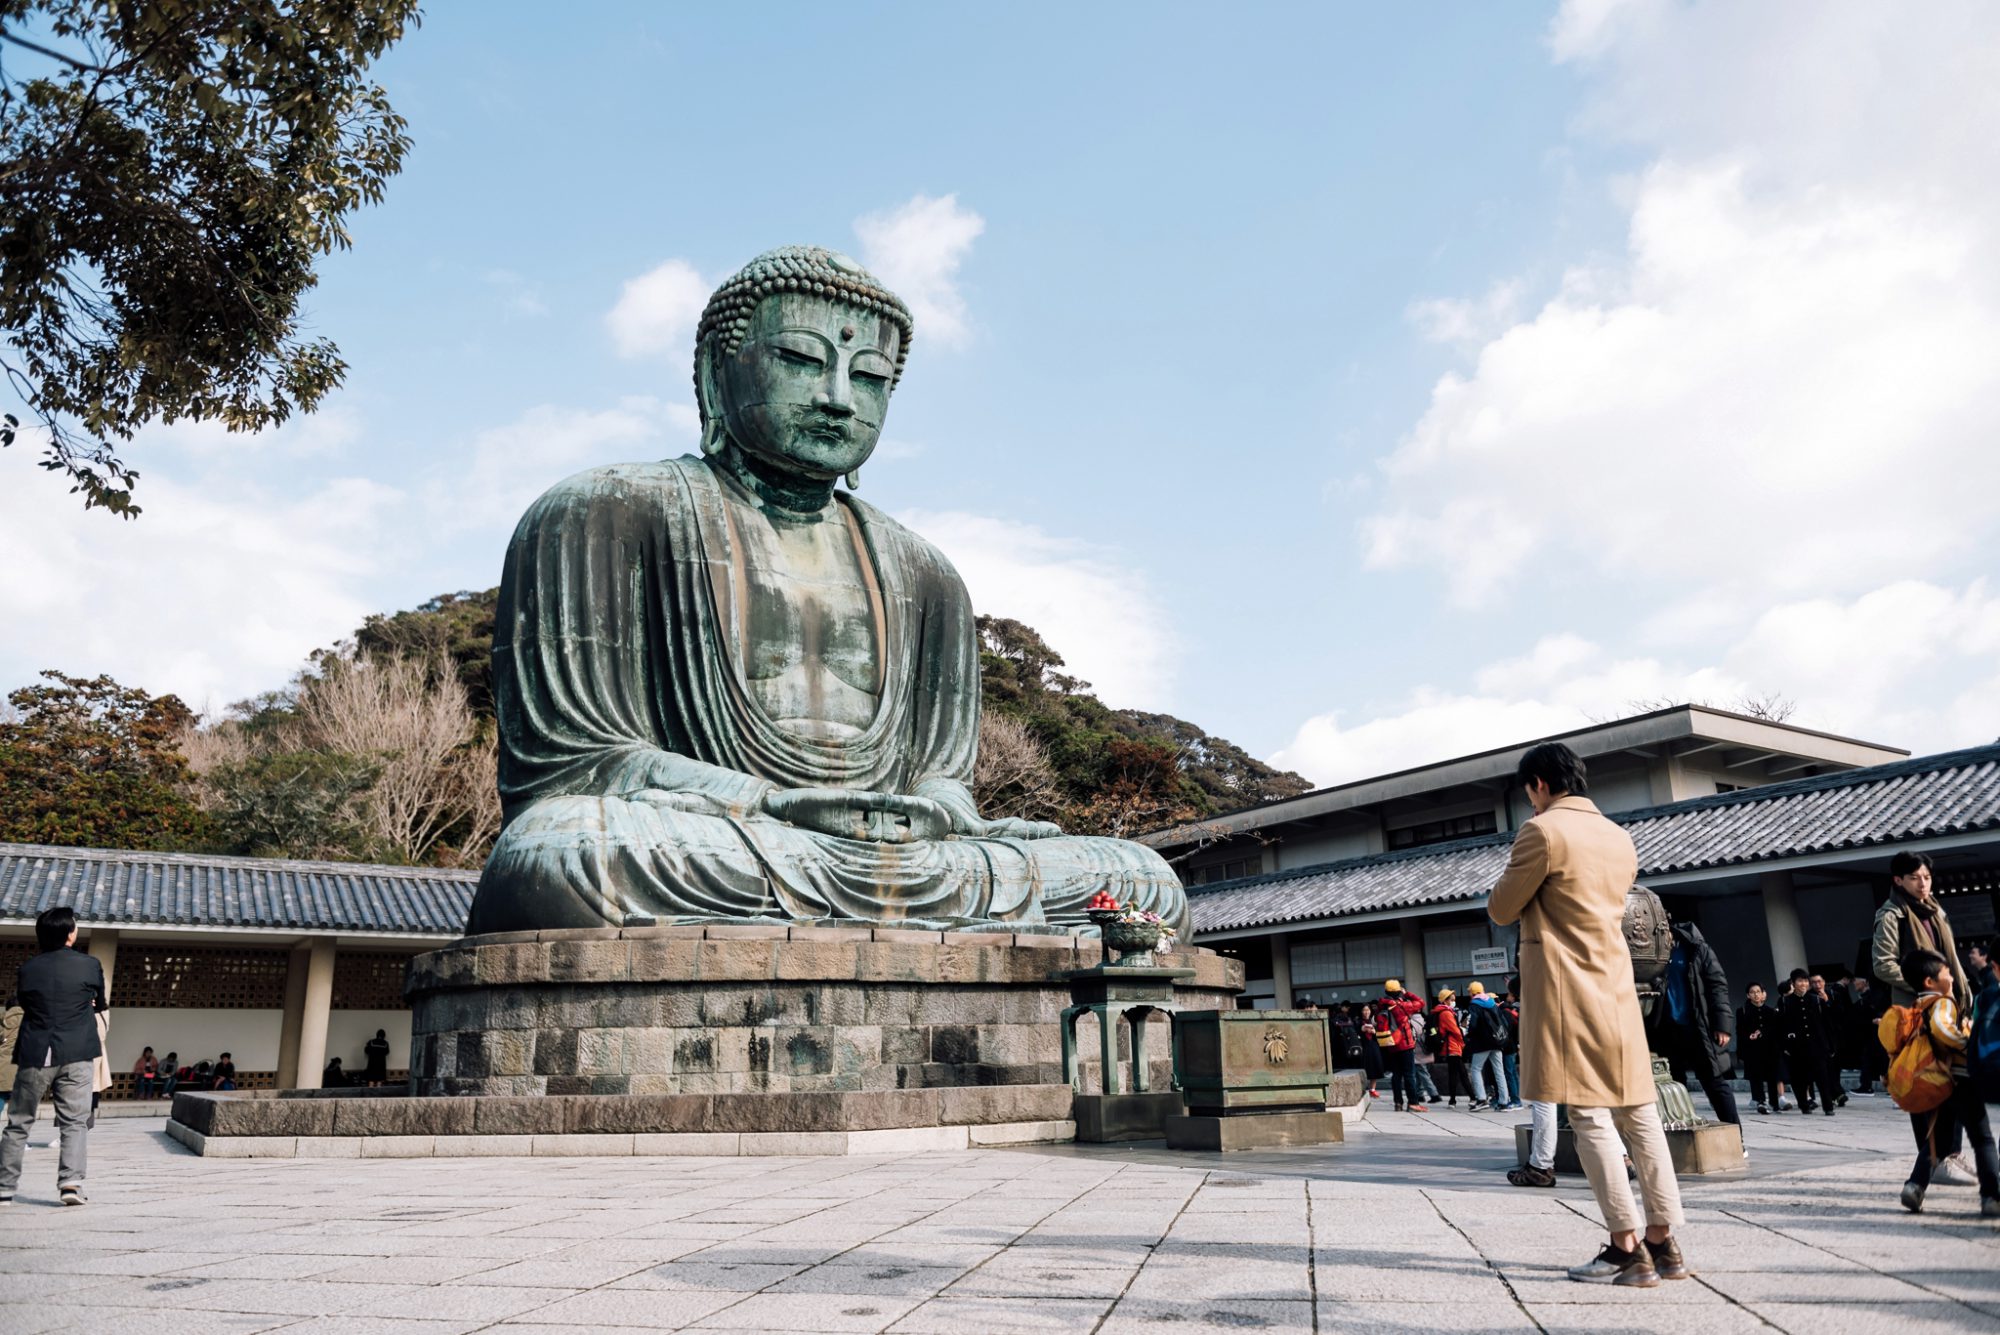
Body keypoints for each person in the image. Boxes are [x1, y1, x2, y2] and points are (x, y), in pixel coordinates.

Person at [1488, 742, 1686, 1288]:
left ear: (1538, 785)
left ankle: (1625, 1246)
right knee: (1639, 1112)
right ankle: (1664, 1241)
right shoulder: (1619, 837)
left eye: (1529, 790)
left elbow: (1503, 906)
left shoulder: (1542, 832)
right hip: (1617, 984)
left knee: (1590, 1114)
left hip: (1565, 987)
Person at [0, 907, 108, 1208]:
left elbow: (26, 1003)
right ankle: (70, 1184)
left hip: (35, 1050)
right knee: (74, 1122)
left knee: (19, 1121)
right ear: (70, 934)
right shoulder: (90, 965)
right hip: (77, 1051)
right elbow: (100, 1004)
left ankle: (4, 1187)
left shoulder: (28, 969)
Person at [1894, 948, 2000, 1218]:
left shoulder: (1917, 1006)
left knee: (1937, 1142)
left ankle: (1915, 1186)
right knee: (1983, 1139)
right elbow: (1942, 1029)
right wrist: (1967, 1042)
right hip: (1959, 1080)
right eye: (1947, 973)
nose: (1952, 977)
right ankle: (1991, 1196)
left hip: (1939, 1083)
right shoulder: (1942, 1002)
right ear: (1930, 982)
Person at [1650, 917, 1739, 1125]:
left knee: (1714, 1082)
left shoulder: (1697, 949)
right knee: (1672, 1084)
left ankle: (1736, 1136)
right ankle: (1680, 1133)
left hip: (1698, 1027)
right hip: (1668, 1029)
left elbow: (1717, 986)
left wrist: (1722, 1025)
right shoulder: (1654, 955)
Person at [1779, 970, 1839, 1116]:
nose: (1804, 984)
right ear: (1793, 983)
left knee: (1823, 1077)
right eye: (1800, 981)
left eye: (1806, 981)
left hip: (1817, 1045)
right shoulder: (1786, 1002)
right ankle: (1804, 1105)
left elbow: (1827, 1024)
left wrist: (1830, 1045)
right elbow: (1781, 1026)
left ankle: (1828, 1106)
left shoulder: (1816, 1000)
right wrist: (1786, 1046)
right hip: (1797, 1047)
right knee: (1800, 1078)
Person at [1376, 980, 1427, 1112]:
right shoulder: (1402, 1005)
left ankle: (1398, 1103)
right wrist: (1407, 993)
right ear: (1398, 991)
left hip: (1391, 1044)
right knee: (1409, 1074)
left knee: (1396, 1075)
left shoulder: (1381, 1005)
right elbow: (1421, 1002)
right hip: (1404, 1044)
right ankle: (1413, 1103)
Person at [1737, 983, 1785, 1114]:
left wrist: (1762, 1033)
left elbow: (1776, 1030)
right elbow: (1740, 1031)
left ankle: (1774, 1103)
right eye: (1752, 992)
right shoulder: (1743, 1011)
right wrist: (1746, 1040)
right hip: (1753, 1049)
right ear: (1748, 995)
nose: (1756, 994)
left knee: (1772, 1076)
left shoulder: (1771, 1011)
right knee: (1756, 1076)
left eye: (1758, 991)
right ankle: (1760, 1101)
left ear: (1763, 993)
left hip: (1770, 1049)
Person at [1464, 981, 1511, 1111]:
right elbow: (1503, 1022)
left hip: (1482, 1043)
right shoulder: (1492, 1003)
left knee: (1476, 1069)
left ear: (1472, 993)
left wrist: (1469, 1036)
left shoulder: (1474, 1005)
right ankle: (1504, 1102)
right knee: (1499, 1071)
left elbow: (1473, 1024)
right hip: (1497, 1041)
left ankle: (1481, 1099)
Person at [1812, 974, 1849, 1107]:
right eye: (1814, 982)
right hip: (1819, 1036)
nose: (1817, 985)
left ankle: (1836, 1094)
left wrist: (1827, 1001)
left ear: (1824, 982)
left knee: (1835, 1066)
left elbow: (1840, 1013)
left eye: (1819, 981)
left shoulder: (1834, 994)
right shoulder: (1810, 997)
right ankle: (1836, 1094)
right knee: (1825, 1067)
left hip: (1834, 1036)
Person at [1848, 974, 1888, 1095]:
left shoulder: (1877, 996)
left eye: (1856, 981)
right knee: (1868, 1059)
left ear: (1865, 982)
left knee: (1884, 1059)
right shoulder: (1864, 998)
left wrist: (1879, 1019)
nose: (1854, 983)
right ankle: (1866, 1086)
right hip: (1869, 1034)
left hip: (1879, 1033)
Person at [1432, 989, 1470, 1107]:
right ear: (1445, 1000)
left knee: (1454, 1074)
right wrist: (1463, 1041)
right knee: (1462, 1074)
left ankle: (1452, 1100)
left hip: (1450, 1047)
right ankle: (1473, 1097)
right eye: (1452, 1000)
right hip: (1453, 1047)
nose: (1454, 1002)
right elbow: (1455, 1031)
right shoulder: (1446, 1013)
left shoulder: (1445, 1012)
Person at [1500, 980, 1524, 1111]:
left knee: (1509, 1073)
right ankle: (1517, 1098)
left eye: (1509, 994)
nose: (1507, 996)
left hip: (1508, 1047)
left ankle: (1515, 1100)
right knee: (1513, 1073)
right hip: (1514, 1046)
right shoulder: (1515, 1012)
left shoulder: (1506, 1012)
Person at [1357, 1001, 1386, 1099]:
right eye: (1364, 1010)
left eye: (1368, 1010)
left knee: (1375, 1066)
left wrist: (1374, 1031)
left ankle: (1373, 1089)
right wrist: (1362, 1029)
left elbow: (1381, 1033)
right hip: (1364, 1046)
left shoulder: (1374, 1020)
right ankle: (1363, 1088)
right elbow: (1356, 1030)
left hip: (1373, 1045)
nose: (1366, 1012)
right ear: (1361, 1011)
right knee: (1365, 1066)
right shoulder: (1357, 1020)